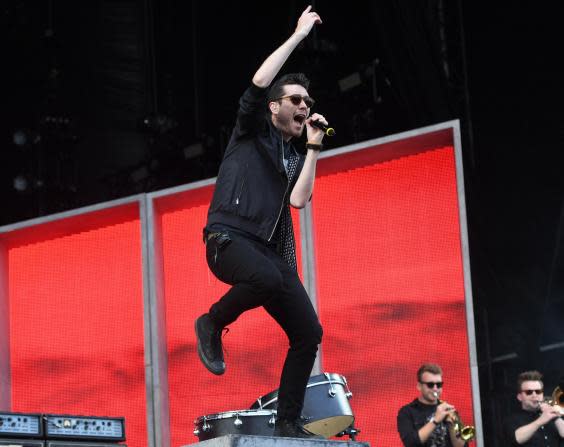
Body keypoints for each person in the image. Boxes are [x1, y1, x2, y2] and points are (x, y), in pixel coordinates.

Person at [194, 5, 326, 439]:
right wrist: (297, 37)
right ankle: (211, 322)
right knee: (268, 277)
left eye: (308, 102)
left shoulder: (292, 152)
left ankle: (288, 422)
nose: (305, 105)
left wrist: (313, 149)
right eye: (296, 100)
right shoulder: (251, 128)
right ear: (275, 108)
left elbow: (300, 200)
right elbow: (258, 83)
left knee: (309, 332)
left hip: (267, 255)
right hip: (227, 238)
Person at [397, 363, 468, 447]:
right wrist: (435, 420)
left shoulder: (448, 410)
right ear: (419, 386)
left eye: (439, 385)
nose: (435, 389)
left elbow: (461, 446)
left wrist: (452, 425)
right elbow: (411, 442)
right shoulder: (406, 412)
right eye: (430, 385)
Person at [503, 370, 564, 446]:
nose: (534, 395)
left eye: (538, 391)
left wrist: (554, 416)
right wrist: (541, 420)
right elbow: (517, 438)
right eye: (529, 392)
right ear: (519, 397)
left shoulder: (551, 415)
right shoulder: (512, 419)